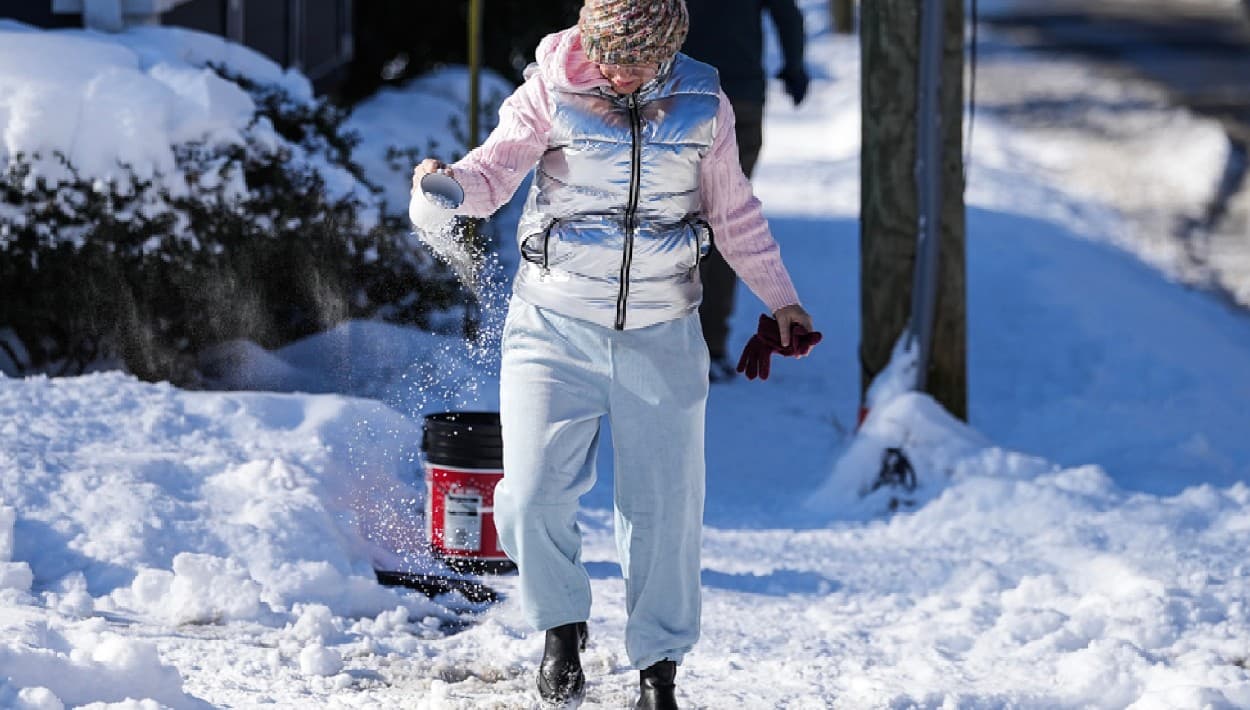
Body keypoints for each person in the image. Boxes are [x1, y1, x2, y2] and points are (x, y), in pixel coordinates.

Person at [411, 0, 814, 706]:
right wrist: (447, 187)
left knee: (665, 510)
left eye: (636, 62)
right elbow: (494, 172)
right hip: (553, 324)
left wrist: (781, 298)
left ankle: (659, 669)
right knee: (530, 496)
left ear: (668, 51)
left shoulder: (703, 102)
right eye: (607, 58)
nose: (617, 75)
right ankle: (561, 624)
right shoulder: (550, 87)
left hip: (663, 328)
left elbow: (732, 213)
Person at [683, 0, 809, 382]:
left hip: (678, 97)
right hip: (740, 94)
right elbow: (787, 14)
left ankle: (674, 342)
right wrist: (794, 64)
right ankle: (710, 345)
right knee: (727, 218)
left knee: (674, 217)